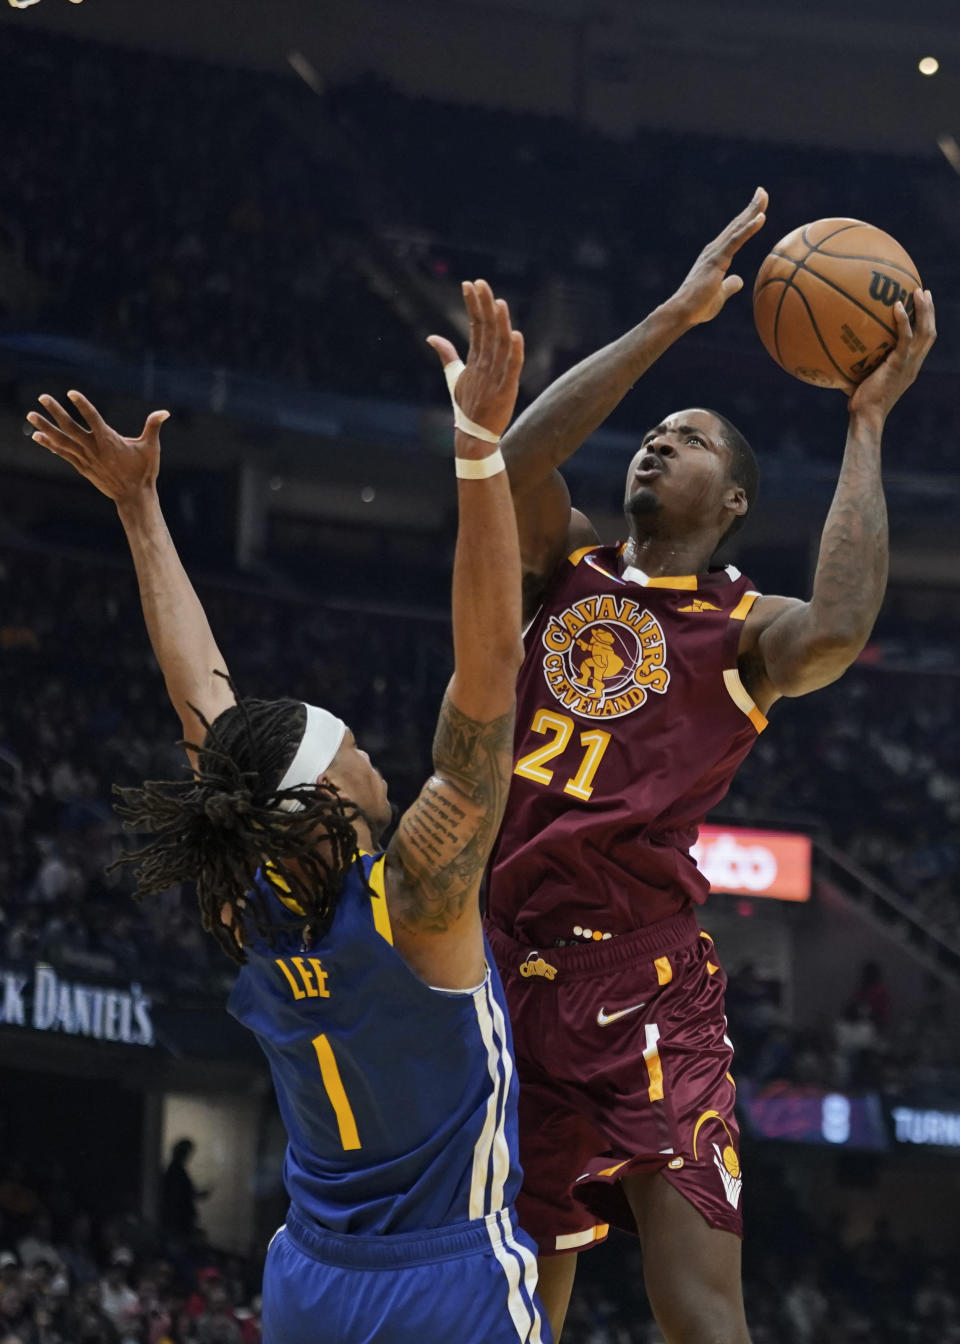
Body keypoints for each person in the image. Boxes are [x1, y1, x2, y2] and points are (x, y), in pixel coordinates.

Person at [27, 280, 549, 1343]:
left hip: (310, 1279)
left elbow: (202, 692)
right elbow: (491, 669)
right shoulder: (420, 894)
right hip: (443, 1277)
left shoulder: (247, 897)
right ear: (327, 806)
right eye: (353, 747)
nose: (371, 753)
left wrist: (138, 509)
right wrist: (480, 450)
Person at [473, 187, 936, 1341]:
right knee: (522, 1306)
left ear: (730, 501)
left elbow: (837, 625)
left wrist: (866, 422)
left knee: (699, 1317)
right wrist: (675, 319)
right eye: (652, 431)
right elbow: (509, 459)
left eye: (686, 438)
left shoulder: (740, 626)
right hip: (501, 969)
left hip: (643, 979)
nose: (655, 440)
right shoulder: (562, 567)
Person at [160, 1140, 209, 1242]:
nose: (189, 1156)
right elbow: (181, 1196)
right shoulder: (177, 1171)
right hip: (178, 1222)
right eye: (187, 1152)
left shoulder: (175, 1170)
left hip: (177, 1222)